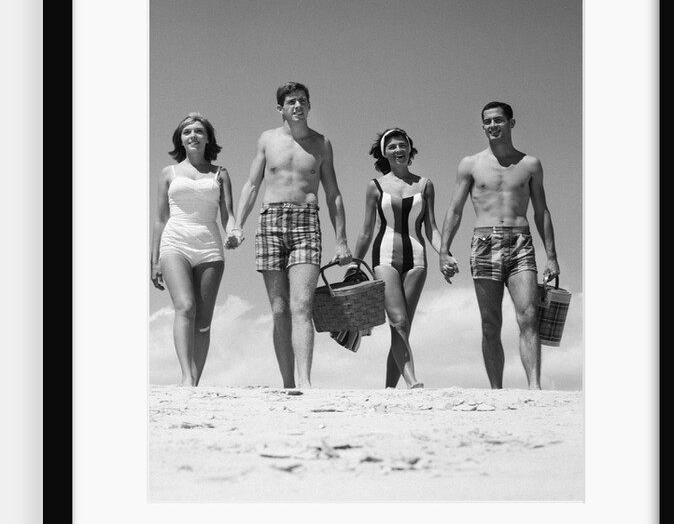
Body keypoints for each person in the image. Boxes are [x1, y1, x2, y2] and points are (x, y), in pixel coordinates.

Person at [228, 82, 352, 390]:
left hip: (306, 222)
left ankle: (304, 381)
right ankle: (287, 385)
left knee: (301, 304)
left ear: (309, 106)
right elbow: (252, 184)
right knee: (279, 307)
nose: (298, 106)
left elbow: (333, 193)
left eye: (303, 101)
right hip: (270, 221)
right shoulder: (267, 140)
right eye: (291, 101)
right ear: (281, 108)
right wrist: (236, 224)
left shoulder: (322, 143)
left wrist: (341, 240)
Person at [439, 101, 560, 390]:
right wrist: (444, 249)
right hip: (484, 242)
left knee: (529, 315)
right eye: (487, 122)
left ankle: (534, 386)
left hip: (521, 242)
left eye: (498, 120)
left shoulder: (530, 164)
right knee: (490, 323)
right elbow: (455, 209)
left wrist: (552, 256)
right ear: (483, 126)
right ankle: (497, 391)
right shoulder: (470, 164)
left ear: (511, 123)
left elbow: (541, 210)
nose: (492, 126)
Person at [352, 127, 450, 389]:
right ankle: (412, 381)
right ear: (384, 152)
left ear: (410, 148)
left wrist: (444, 254)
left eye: (402, 145)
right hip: (384, 257)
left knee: (403, 327)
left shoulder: (425, 184)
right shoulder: (375, 186)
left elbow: (432, 228)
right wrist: (354, 262)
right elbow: (365, 230)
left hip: (417, 259)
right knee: (398, 320)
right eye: (392, 146)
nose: (398, 150)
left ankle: (389, 391)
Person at [150, 112, 238, 386]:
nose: (193, 136)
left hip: (209, 247)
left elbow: (228, 215)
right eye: (187, 132)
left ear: (208, 137)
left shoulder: (220, 174)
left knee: (203, 320)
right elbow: (160, 219)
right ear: (181, 139)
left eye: (199, 131)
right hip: (175, 242)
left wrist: (234, 231)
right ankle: (186, 376)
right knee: (185, 307)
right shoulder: (169, 173)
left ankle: (194, 382)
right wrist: (153, 261)